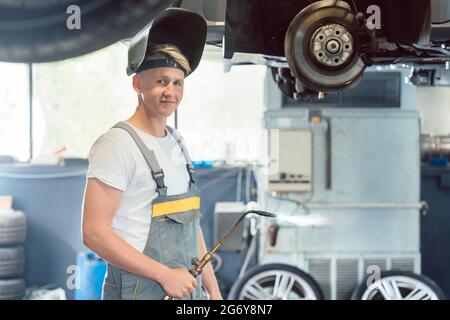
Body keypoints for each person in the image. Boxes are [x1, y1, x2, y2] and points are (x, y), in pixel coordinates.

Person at [81, 8, 222, 300]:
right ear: (137, 84)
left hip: (186, 289)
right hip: (140, 290)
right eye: (160, 81)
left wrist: (214, 291)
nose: (170, 91)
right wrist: (164, 275)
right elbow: (93, 232)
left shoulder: (177, 142)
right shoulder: (116, 144)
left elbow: (190, 224)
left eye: (177, 82)